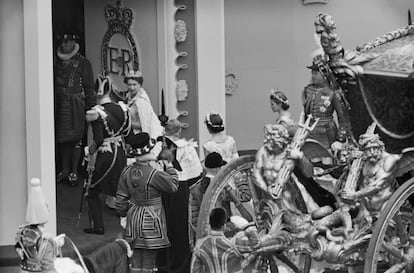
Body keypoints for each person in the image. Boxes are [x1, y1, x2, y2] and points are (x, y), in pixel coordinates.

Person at [115, 132, 179, 273]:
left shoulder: (126, 171)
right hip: (153, 218)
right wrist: (169, 167)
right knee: (149, 262)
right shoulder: (154, 174)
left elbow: (120, 200)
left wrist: (123, 214)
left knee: (135, 260)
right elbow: (173, 185)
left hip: (133, 218)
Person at [82, 75, 132, 235]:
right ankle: (130, 223)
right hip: (121, 153)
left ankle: (98, 226)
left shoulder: (96, 112)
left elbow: (98, 139)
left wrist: (88, 151)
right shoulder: (123, 109)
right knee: (122, 189)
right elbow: (128, 134)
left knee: (92, 191)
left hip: (106, 155)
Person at [158, 119, 203, 273]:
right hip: (181, 190)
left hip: (164, 188)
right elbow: (196, 174)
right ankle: (180, 265)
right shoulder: (188, 149)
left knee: (165, 225)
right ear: (178, 131)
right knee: (180, 228)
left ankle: (164, 262)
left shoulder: (160, 144)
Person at [54, 32, 96, 186]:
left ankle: (74, 171)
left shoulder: (83, 63)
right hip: (60, 102)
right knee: (62, 138)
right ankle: (64, 170)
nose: (65, 45)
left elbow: (89, 87)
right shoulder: (57, 62)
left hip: (76, 103)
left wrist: (91, 109)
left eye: (68, 42)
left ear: (74, 43)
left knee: (76, 138)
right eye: (63, 42)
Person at [15, 178, 83, 273]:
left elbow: (34, 251)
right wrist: (53, 244)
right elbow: (47, 264)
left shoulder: (22, 232)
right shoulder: (46, 241)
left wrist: (55, 243)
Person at [340, 132, 401, 220]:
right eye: (368, 149)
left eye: (375, 148)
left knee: (386, 229)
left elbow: (377, 186)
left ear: (381, 148)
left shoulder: (388, 161)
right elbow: (354, 177)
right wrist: (350, 161)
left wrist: (355, 194)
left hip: (385, 205)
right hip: (365, 206)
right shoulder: (366, 160)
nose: (372, 152)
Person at [303, 54, 351, 165]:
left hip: (327, 134)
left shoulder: (332, 93)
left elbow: (343, 117)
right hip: (311, 133)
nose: (313, 76)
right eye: (312, 73)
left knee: (327, 161)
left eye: (316, 73)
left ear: (324, 74)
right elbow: (306, 113)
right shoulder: (308, 90)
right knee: (313, 161)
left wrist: (340, 139)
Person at [190, 207, 260, 273]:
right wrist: (246, 226)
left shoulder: (200, 246)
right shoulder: (233, 243)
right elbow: (256, 243)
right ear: (224, 226)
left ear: (210, 224)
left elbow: (194, 271)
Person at [188, 152, 227, 249]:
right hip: (206, 224)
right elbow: (211, 207)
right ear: (217, 168)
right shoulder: (212, 184)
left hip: (196, 223)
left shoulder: (201, 182)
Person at [124, 70, 163, 140]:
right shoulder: (129, 97)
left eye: (134, 84)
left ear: (140, 84)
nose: (132, 88)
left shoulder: (141, 102)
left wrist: (125, 124)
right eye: (129, 85)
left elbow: (144, 125)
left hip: (147, 135)